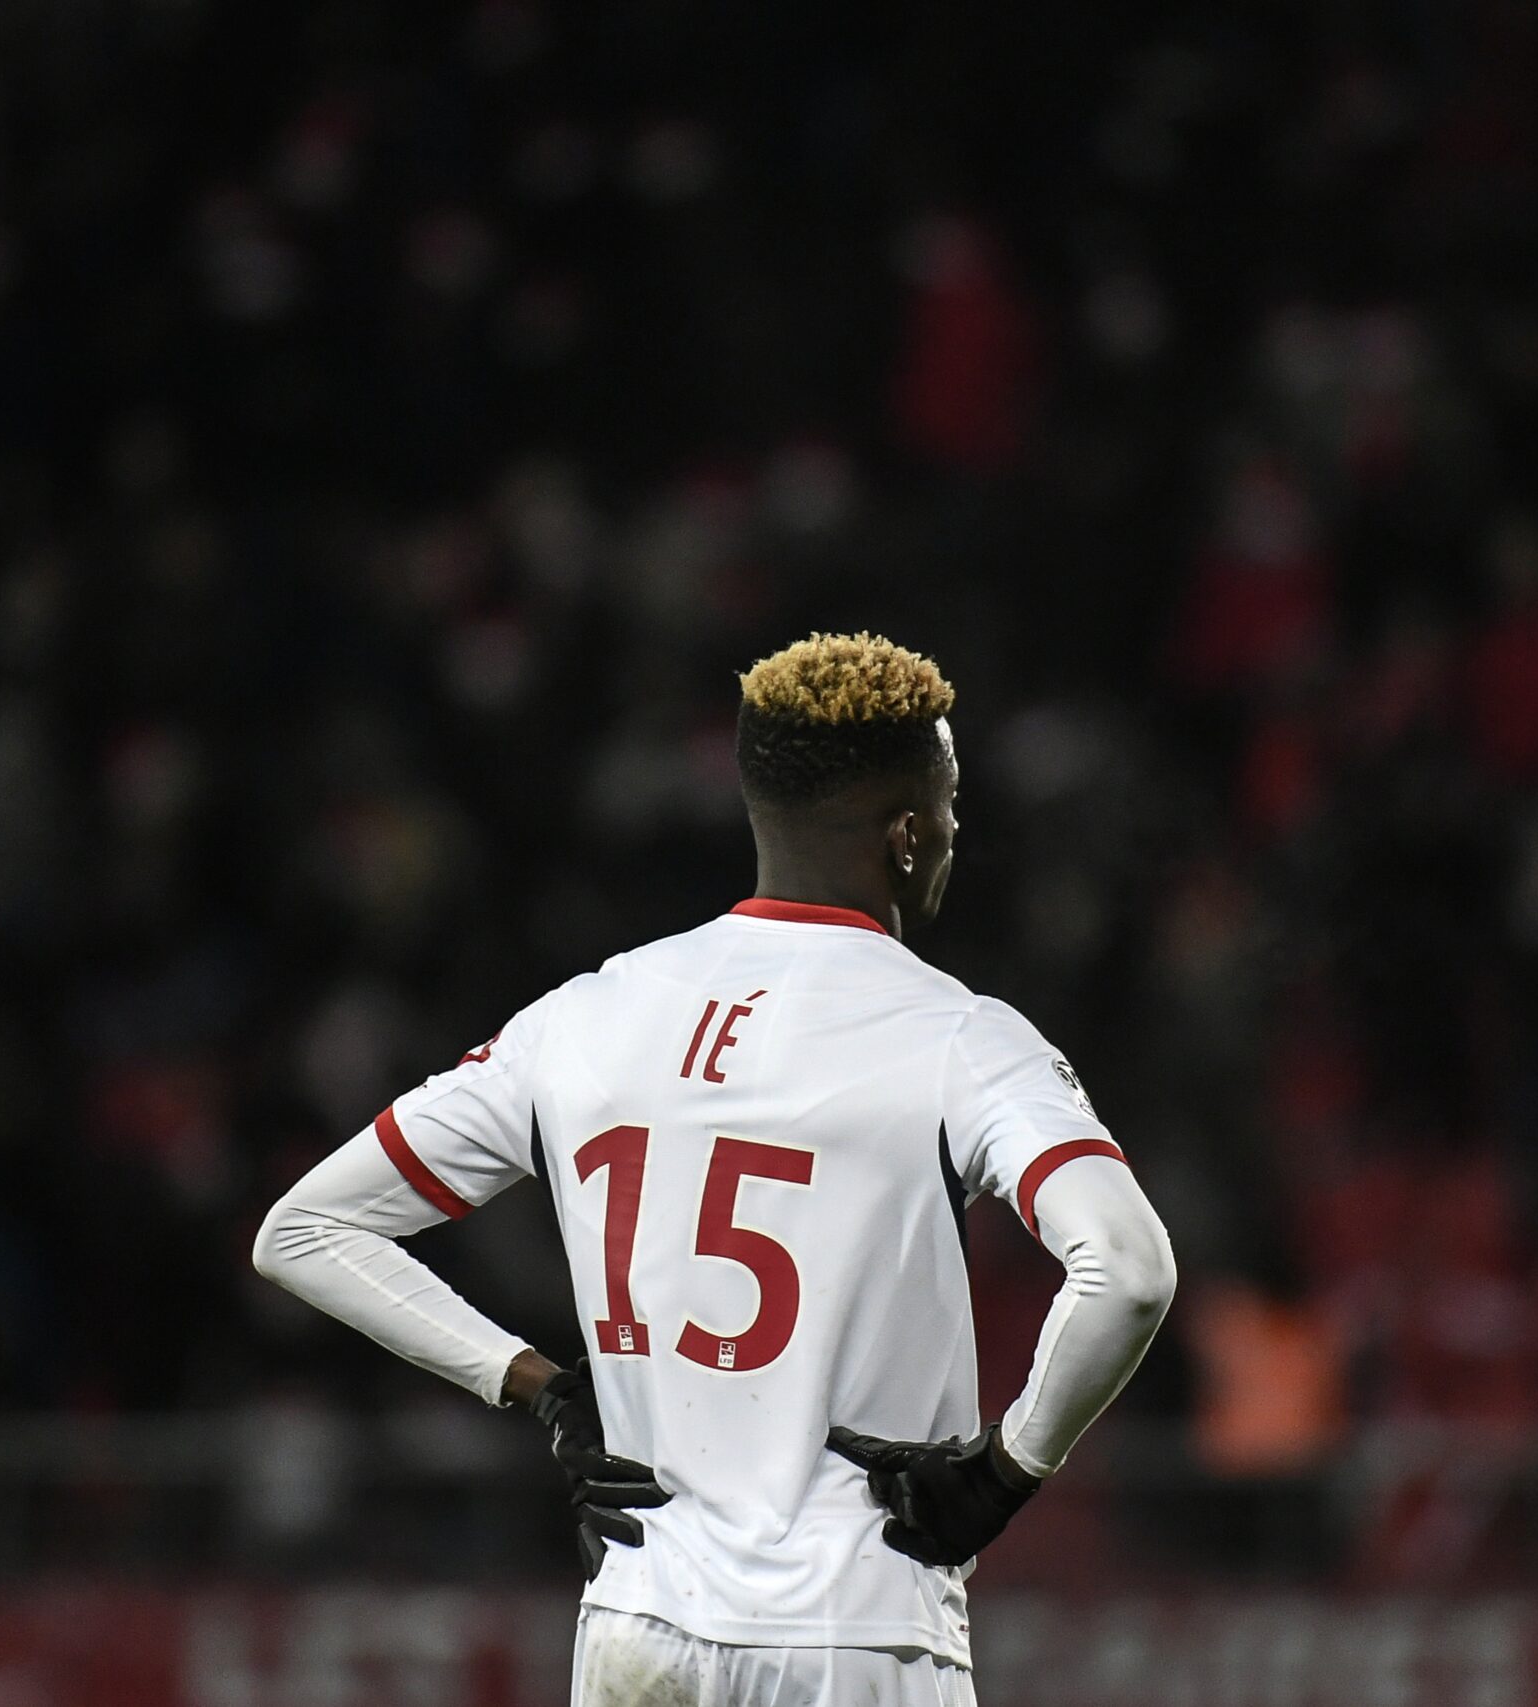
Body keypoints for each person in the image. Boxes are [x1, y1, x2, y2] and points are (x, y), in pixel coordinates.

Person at [254, 632, 1177, 1706]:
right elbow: (1129, 1270)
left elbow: (304, 1232)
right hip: (854, 1627)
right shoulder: (960, 1037)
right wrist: (1005, 1471)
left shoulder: (584, 1013)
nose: (957, 830)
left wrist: (537, 1385)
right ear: (909, 833)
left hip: (639, 1619)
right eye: (952, 803)